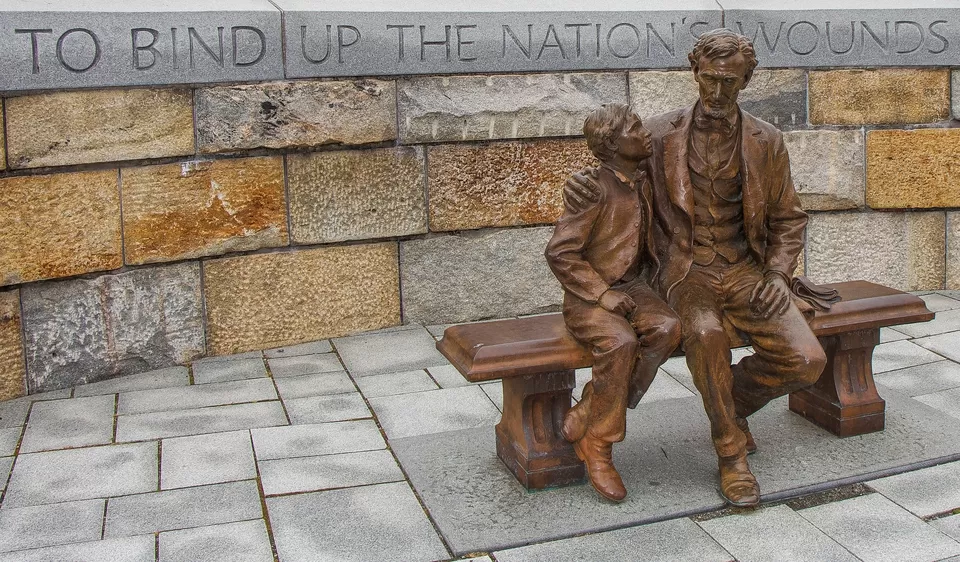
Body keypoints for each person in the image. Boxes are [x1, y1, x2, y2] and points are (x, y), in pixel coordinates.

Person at [564, 29, 826, 507]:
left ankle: (732, 404)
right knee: (705, 334)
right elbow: (613, 173)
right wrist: (581, 184)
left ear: (747, 78)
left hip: (748, 271)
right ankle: (730, 455)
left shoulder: (767, 141)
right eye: (709, 80)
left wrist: (777, 274)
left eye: (729, 81)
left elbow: (788, 219)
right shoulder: (658, 135)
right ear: (695, 73)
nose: (718, 92)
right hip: (686, 272)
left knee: (807, 361)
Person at [545, 103, 681, 502]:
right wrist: (600, 293)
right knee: (621, 343)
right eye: (635, 128)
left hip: (634, 287)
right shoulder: (592, 190)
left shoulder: (642, 179)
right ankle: (599, 446)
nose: (645, 133)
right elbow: (560, 253)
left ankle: (592, 405)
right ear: (611, 143)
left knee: (668, 328)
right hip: (591, 296)